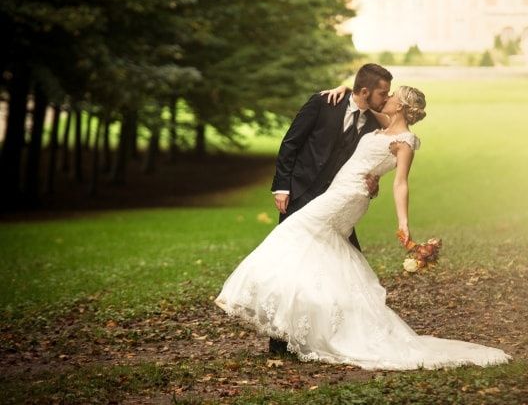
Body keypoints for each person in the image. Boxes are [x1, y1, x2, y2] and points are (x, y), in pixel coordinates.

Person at [214, 85, 512, 370]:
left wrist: (403, 224)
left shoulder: (405, 141)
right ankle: (308, 324)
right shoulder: (385, 123)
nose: (389, 97)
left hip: (349, 196)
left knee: (293, 232)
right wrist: (345, 89)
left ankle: (293, 320)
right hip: (340, 191)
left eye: (393, 96)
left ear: (402, 107)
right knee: (321, 250)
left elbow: (401, 182)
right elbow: (364, 98)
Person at [267, 63, 392, 354]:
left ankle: (344, 338)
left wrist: (373, 186)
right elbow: (290, 144)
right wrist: (282, 187)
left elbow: (368, 167)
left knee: (350, 267)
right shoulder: (323, 103)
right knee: (291, 268)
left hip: (337, 206)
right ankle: (279, 342)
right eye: (382, 93)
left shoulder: (375, 125)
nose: (386, 99)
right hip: (299, 196)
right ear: (365, 91)